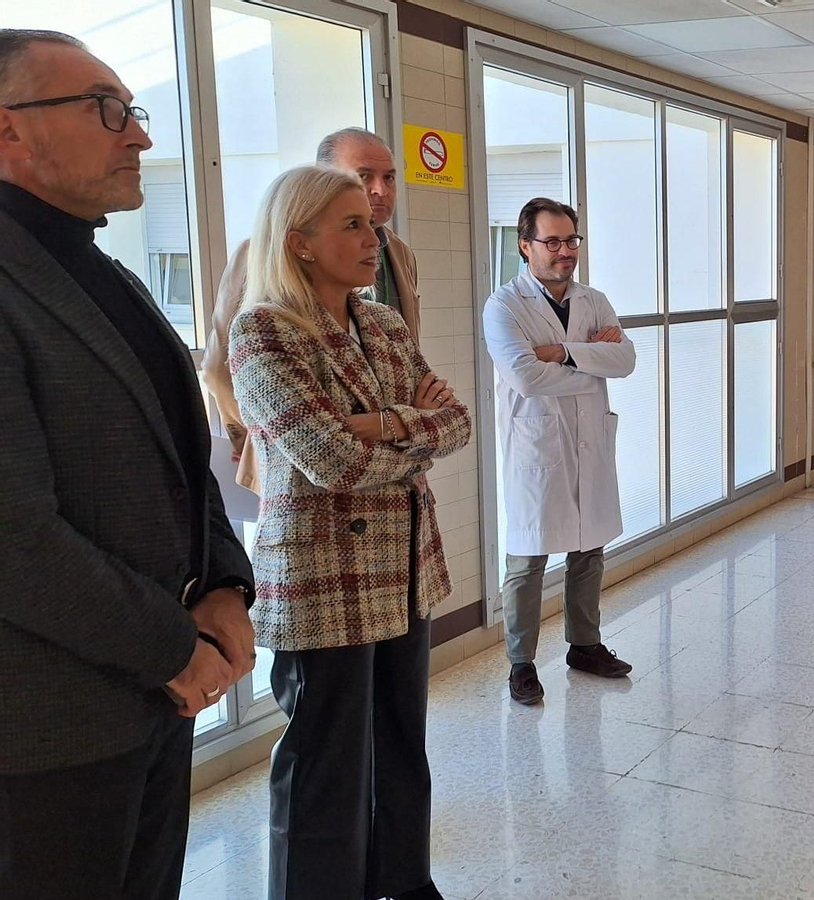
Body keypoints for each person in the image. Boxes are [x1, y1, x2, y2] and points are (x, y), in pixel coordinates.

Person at [0, 29, 255, 899]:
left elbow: (182, 456)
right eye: (105, 110)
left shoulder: (110, 276)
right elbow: (14, 538)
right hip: (46, 731)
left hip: (151, 704)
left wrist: (223, 583)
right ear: (9, 128)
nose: (139, 135)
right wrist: (173, 647)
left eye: (133, 110)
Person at [228, 165, 470, 900]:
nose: (374, 237)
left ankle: (404, 882)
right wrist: (410, 428)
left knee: (401, 743)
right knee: (324, 763)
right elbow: (329, 460)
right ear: (299, 241)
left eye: (372, 221)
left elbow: (457, 423)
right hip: (322, 575)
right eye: (353, 224)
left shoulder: (384, 323)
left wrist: (382, 423)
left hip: (405, 565)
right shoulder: (263, 331)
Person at [202, 126, 422, 494]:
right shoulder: (263, 254)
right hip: (305, 465)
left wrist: (405, 427)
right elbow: (218, 364)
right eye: (363, 176)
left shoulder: (399, 254)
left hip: (397, 453)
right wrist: (265, 429)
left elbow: (422, 372)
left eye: (389, 177)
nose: (380, 190)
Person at [483, 197, 636, 705]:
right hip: (537, 445)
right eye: (552, 242)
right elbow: (526, 377)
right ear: (525, 246)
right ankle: (521, 664)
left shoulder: (594, 300)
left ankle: (584, 646)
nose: (565, 251)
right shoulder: (504, 306)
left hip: (589, 439)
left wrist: (564, 352)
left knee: (589, 548)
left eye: (571, 240)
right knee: (528, 558)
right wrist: (592, 362)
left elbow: (625, 361)